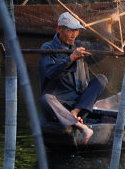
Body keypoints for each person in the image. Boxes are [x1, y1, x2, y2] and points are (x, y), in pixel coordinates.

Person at [38, 12, 109, 144]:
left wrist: (108, 26)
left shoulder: (79, 46)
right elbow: (51, 72)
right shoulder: (48, 48)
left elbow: (104, 49)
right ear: (59, 29)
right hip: (59, 105)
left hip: (79, 105)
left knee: (101, 79)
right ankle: (79, 124)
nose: (74, 35)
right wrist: (71, 58)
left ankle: (74, 114)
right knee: (45, 99)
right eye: (71, 31)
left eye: (76, 31)